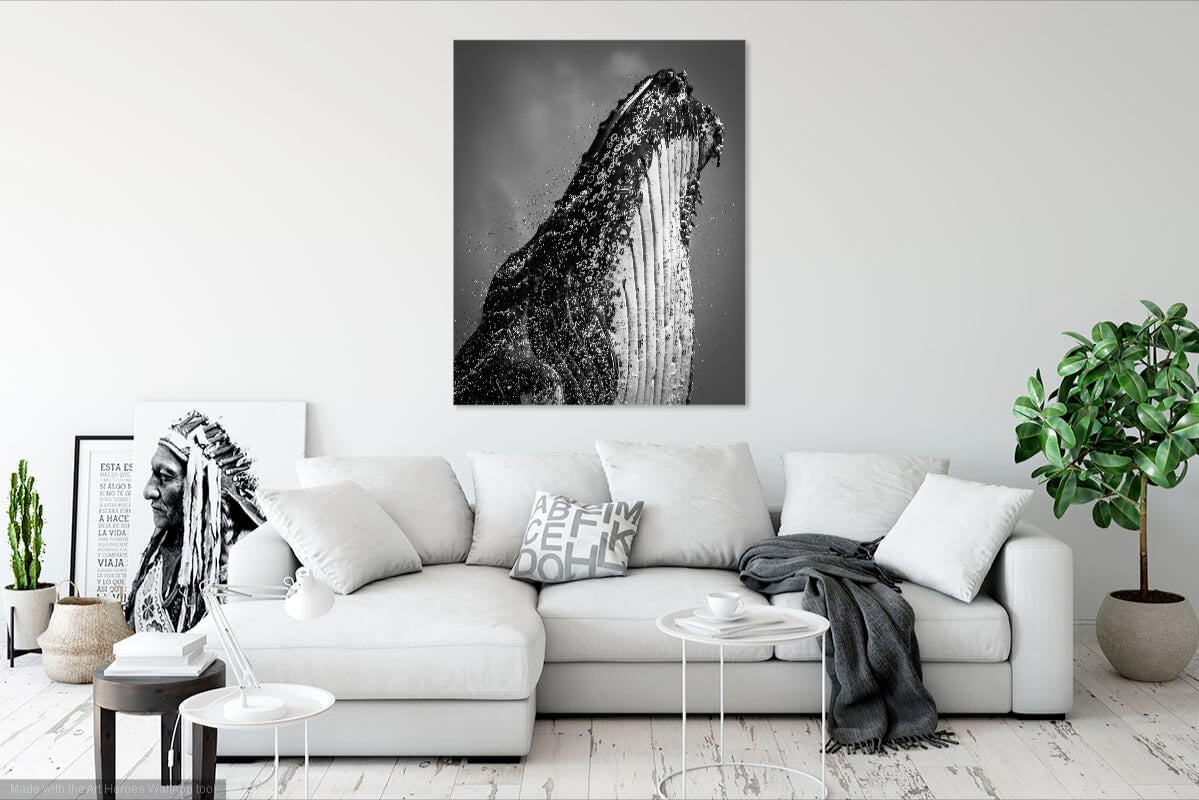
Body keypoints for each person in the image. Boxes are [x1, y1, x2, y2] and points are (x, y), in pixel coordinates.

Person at [124, 411, 264, 632]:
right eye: (153, 474)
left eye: (166, 476)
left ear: (203, 488)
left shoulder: (241, 565)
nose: (148, 491)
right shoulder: (161, 550)